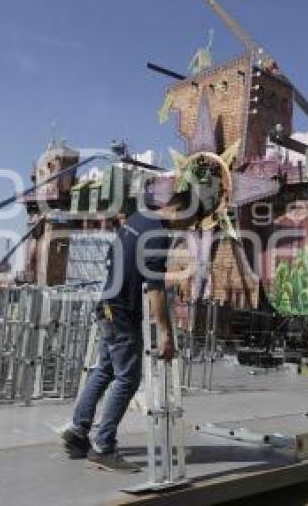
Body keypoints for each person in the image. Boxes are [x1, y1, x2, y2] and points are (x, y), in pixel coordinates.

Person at [61, 189, 202, 472]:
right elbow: (155, 287)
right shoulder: (159, 233)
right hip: (122, 311)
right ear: (179, 210)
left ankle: (78, 432)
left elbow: (112, 256)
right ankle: (103, 447)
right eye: (188, 223)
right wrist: (165, 333)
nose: (186, 230)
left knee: (105, 369)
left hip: (107, 304)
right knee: (128, 378)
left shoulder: (139, 218)